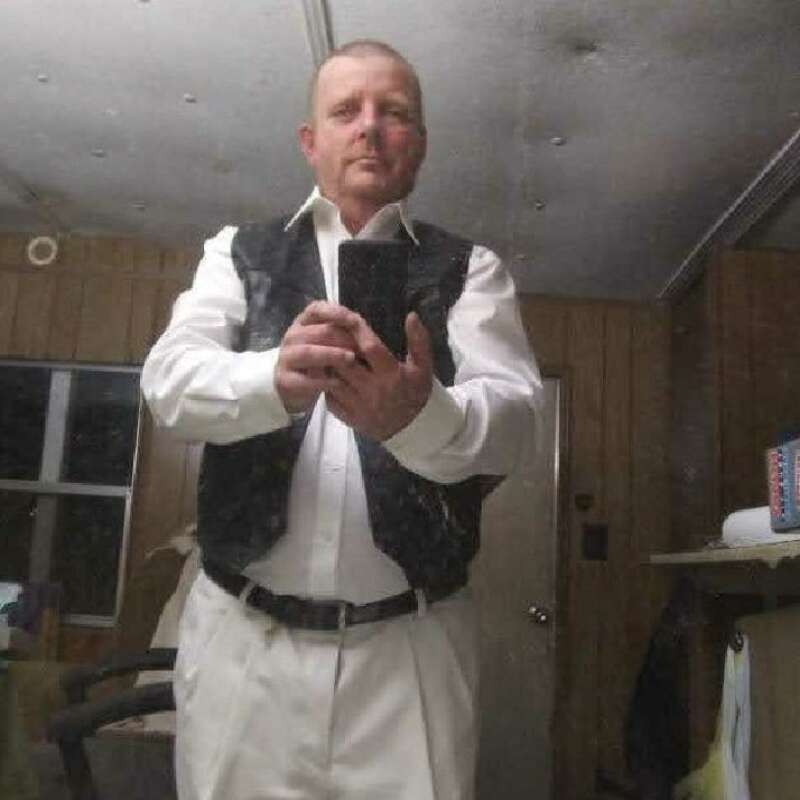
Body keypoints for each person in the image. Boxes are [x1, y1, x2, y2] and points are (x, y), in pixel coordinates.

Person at [141, 39, 542, 800]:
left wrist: (421, 418)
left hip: (413, 658)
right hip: (239, 650)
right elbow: (167, 383)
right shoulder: (237, 254)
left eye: (394, 113)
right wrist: (269, 381)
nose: (370, 128)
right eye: (346, 111)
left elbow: (516, 421)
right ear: (310, 140)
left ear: (418, 143)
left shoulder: (473, 270)